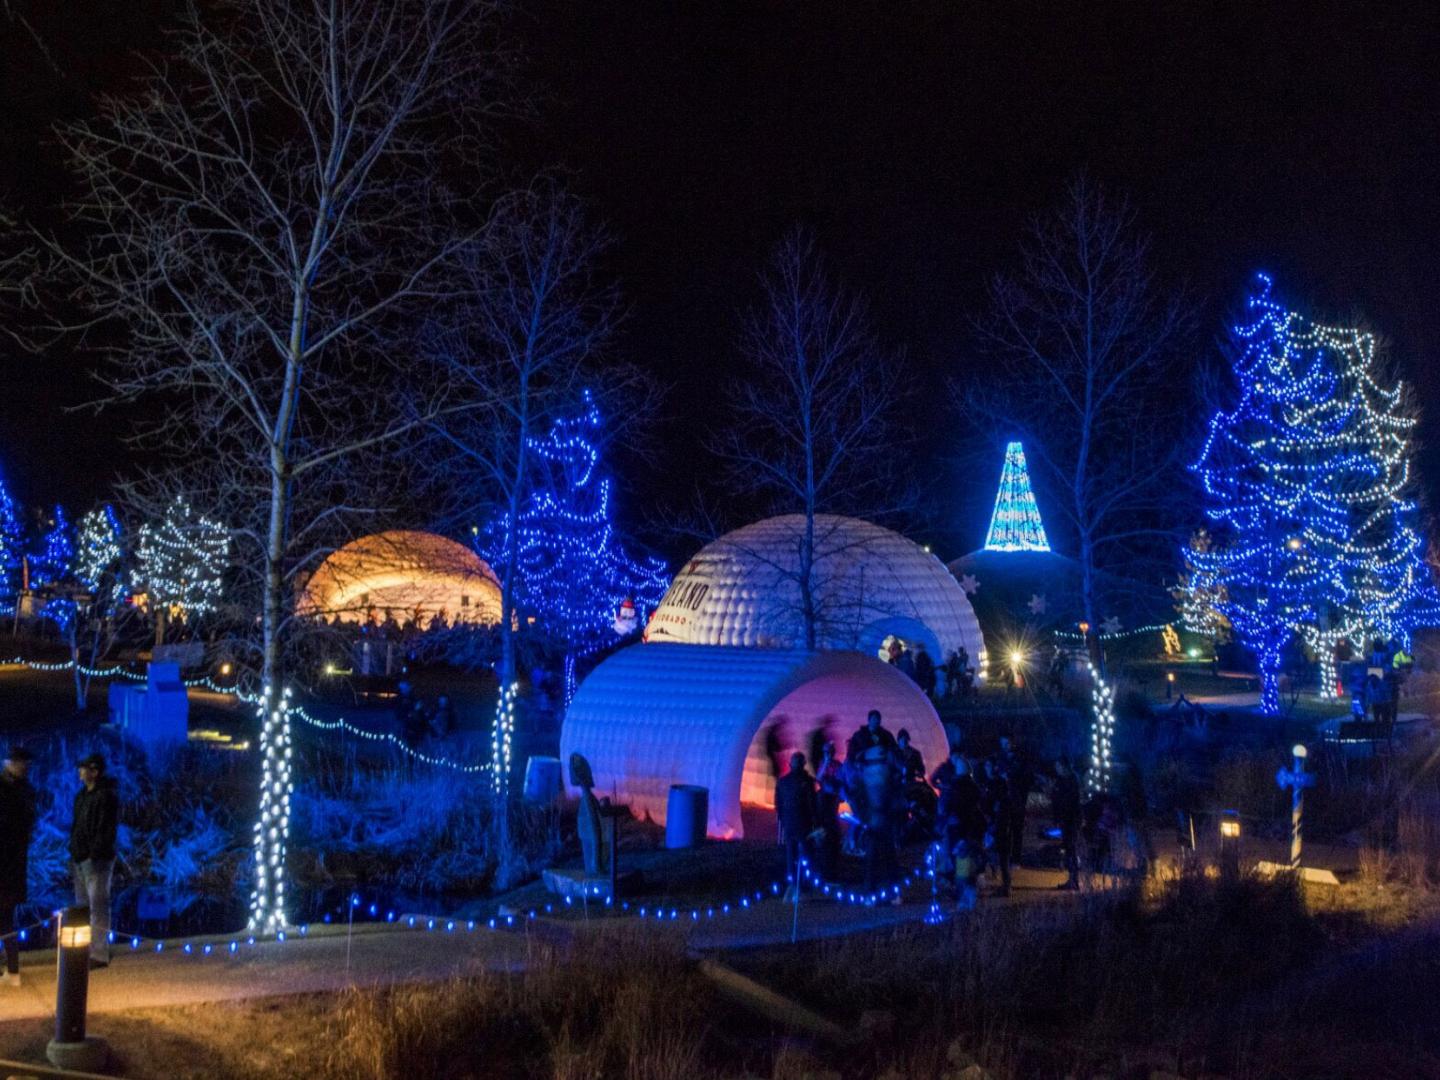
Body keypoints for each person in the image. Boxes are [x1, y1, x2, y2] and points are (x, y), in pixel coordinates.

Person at [69, 753, 119, 967]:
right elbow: (78, 826)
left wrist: (94, 853)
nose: (80, 772)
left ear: (94, 772)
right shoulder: (82, 796)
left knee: (97, 908)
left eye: (84, 768)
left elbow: (105, 830)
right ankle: (86, 950)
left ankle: (98, 954)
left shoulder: (105, 797)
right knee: (84, 908)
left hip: (96, 860)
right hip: (80, 858)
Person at [0, 747, 36, 986]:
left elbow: (23, 825)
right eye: (20, 763)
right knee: (5, 920)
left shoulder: (22, 791)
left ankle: (13, 970)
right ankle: (11, 970)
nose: (24, 767)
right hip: (10, 864)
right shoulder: (20, 791)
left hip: (9, 866)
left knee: (5, 920)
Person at [936, 755, 986, 909]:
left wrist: (938, 827)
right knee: (968, 860)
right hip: (972, 830)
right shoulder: (975, 789)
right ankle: (969, 892)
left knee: (958, 861)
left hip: (956, 829)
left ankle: (963, 895)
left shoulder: (952, 788)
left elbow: (943, 809)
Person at [775, 753, 818, 899]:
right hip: (803, 823)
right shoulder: (807, 781)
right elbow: (812, 804)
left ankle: (792, 886)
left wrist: (783, 820)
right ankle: (803, 886)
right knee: (806, 854)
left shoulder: (782, 781)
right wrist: (815, 823)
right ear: (804, 764)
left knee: (790, 854)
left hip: (789, 823)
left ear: (790, 765)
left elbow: (778, 804)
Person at [995, 735, 1033, 864]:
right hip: (1005, 799)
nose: (1006, 745)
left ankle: (1016, 858)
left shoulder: (1020, 758)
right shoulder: (1001, 759)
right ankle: (1004, 857)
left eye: (1008, 743)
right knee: (1004, 830)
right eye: (1003, 743)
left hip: (1017, 800)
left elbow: (1025, 777)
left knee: (1017, 830)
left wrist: (1011, 775)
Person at [980, 757, 1012, 896]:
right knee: (995, 853)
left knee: (1001, 854)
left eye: (989, 765)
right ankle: (1002, 882)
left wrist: (994, 820)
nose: (987, 768)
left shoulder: (998, 784)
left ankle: (1006, 886)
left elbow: (999, 804)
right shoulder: (990, 783)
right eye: (986, 765)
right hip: (993, 823)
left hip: (999, 824)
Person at [1050, 756, 1081, 891]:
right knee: (1069, 849)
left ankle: (1074, 880)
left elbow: (1068, 801)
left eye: (1058, 766)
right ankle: (1072, 879)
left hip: (1071, 820)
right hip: (1067, 819)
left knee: (1071, 849)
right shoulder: (1066, 780)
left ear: (1063, 766)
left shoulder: (1071, 780)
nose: (1056, 769)